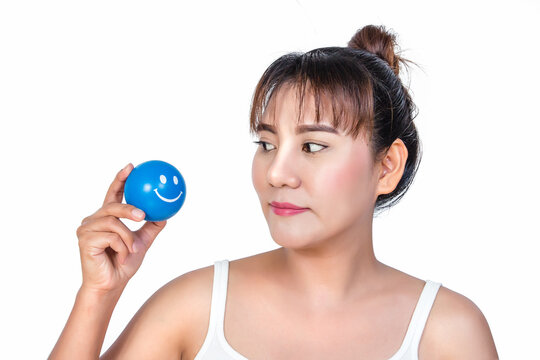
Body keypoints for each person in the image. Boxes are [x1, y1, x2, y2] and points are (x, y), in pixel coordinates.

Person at [48, 24, 499, 359]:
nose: (277, 173)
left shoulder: (448, 332)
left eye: (313, 146)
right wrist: (98, 294)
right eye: (266, 144)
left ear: (387, 167)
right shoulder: (194, 309)